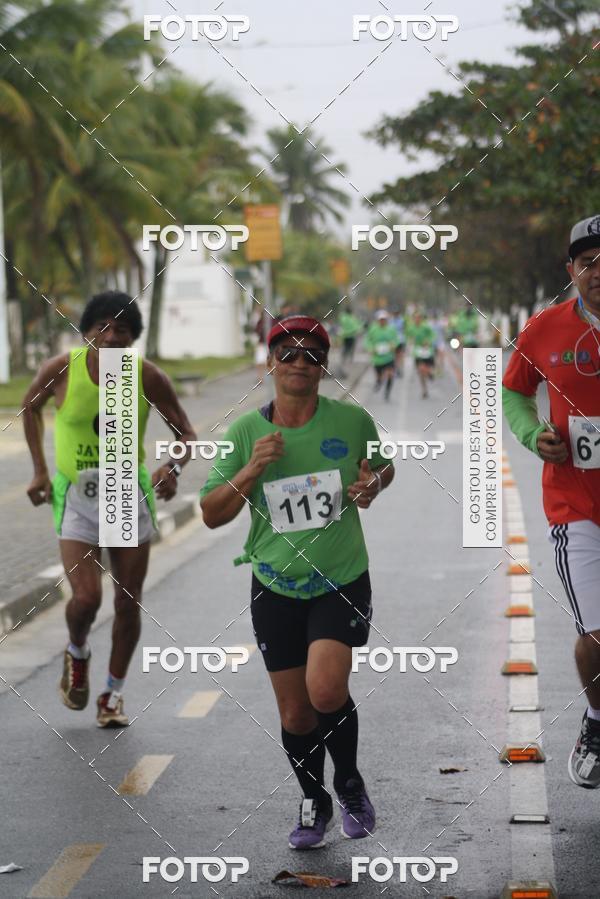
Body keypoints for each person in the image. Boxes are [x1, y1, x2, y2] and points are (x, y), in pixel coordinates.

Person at [199, 314, 394, 849]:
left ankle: (348, 782)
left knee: (325, 689)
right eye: (288, 353)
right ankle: (314, 799)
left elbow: (382, 467)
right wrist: (250, 470)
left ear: (324, 367)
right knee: (295, 712)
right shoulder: (245, 432)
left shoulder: (351, 421)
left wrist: (373, 484)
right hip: (274, 584)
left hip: (340, 578)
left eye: (312, 355)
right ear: (270, 364)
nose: (300, 363)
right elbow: (211, 513)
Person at [22, 291, 197, 727]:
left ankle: (112, 695)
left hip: (127, 495)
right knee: (86, 597)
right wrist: (40, 471)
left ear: (133, 337)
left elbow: (186, 434)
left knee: (127, 601)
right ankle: (78, 651)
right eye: (102, 326)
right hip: (77, 499)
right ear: (86, 332)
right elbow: (29, 407)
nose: (112, 336)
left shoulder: (147, 376)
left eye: (122, 329)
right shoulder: (62, 369)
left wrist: (172, 467)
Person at [503, 214, 600, 788]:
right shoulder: (544, 328)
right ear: (572, 270)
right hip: (575, 508)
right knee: (597, 638)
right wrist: (531, 433)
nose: (598, 272)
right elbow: (514, 391)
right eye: (589, 262)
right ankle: (597, 720)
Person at [365, 309, 400, 401]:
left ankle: (387, 392)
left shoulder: (391, 329)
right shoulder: (373, 329)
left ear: (387, 320)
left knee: (390, 375)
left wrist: (394, 345)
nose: (382, 321)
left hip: (389, 357)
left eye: (384, 319)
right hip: (378, 359)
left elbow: (397, 339)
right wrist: (371, 348)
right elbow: (367, 340)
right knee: (380, 377)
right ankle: (379, 382)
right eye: (381, 319)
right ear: (377, 320)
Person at [409, 310, 437, 398]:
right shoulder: (411, 328)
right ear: (413, 319)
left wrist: (428, 341)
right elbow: (408, 336)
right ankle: (424, 390)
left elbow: (433, 335)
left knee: (426, 370)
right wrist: (411, 340)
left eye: (418, 318)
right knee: (421, 371)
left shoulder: (426, 327)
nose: (417, 319)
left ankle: (429, 373)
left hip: (427, 351)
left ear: (421, 319)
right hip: (418, 352)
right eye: (415, 318)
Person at [338, 310, 363, 374]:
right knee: (351, 348)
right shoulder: (353, 318)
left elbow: (341, 324)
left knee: (345, 347)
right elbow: (357, 327)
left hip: (344, 336)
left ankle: (343, 358)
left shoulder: (343, 317)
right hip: (351, 336)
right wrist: (358, 331)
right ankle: (350, 359)